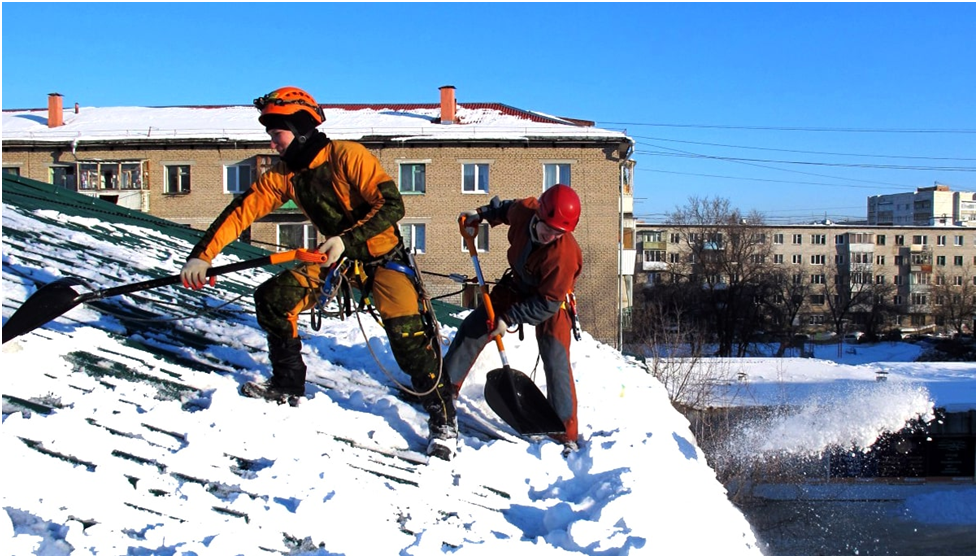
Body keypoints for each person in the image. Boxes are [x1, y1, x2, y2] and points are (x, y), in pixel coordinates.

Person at [179, 86, 456, 460]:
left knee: (409, 340)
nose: (272, 143)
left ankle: (443, 420)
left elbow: (392, 205)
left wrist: (347, 238)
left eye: (276, 135)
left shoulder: (347, 156)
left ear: (301, 128)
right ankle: (287, 385)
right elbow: (241, 212)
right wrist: (202, 256)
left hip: (382, 259)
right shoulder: (285, 175)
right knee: (274, 299)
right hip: (336, 260)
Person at [446, 184, 584, 455]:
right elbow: (505, 208)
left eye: (560, 233)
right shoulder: (526, 211)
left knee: (555, 356)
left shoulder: (563, 255)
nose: (551, 236)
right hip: (519, 286)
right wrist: (481, 214)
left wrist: (509, 318)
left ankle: (564, 433)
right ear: (539, 215)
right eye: (548, 228)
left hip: (551, 300)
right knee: (477, 324)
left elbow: (548, 302)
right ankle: (445, 387)